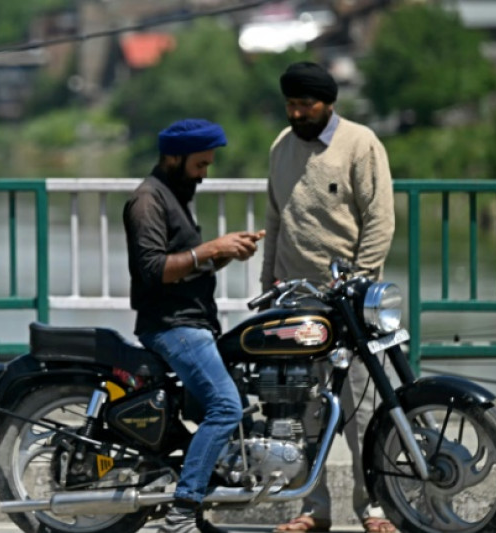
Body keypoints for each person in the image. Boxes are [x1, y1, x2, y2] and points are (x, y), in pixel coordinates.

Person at [261, 62, 396, 533]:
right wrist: (268, 287)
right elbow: (275, 220)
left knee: (363, 411)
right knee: (301, 411)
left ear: (328, 103)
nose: (297, 113)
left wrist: (358, 283)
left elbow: (380, 220)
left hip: (350, 305)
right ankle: (312, 509)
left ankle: (374, 508)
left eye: (306, 105)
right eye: (291, 104)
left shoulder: (360, 143)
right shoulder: (281, 147)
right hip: (295, 303)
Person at [123, 118, 265, 533]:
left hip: (195, 322)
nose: (204, 174)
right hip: (172, 326)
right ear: (174, 158)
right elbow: (154, 270)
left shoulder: (174, 195)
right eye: (200, 165)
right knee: (226, 408)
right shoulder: (147, 200)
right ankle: (181, 513)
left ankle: (199, 506)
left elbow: (185, 266)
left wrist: (225, 253)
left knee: (237, 409)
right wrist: (210, 248)